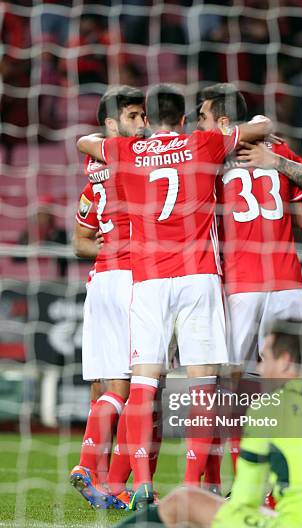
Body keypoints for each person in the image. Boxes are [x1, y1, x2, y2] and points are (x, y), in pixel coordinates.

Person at [23, 319, 302, 528]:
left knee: (184, 501)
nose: (259, 366)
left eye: (265, 356)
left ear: (286, 361)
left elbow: (244, 502)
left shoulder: (271, 408)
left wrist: (202, 520)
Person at [75, 84, 273, 506]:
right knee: (203, 385)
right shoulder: (202, 143)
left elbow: (85, 143)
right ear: (183, 120)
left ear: (147, 118)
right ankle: (191, 482)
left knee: (143, 384)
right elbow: (262, 126)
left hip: (146, 280)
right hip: (198, 276)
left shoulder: (126, 152)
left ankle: (141, 482)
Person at [197, 83, 302, 471]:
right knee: (288, 380)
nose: (199, 126)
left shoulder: (208, 156)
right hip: (288, 280)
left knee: (229, 380)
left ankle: (242, 473)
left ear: (222, 121)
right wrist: (274, 160)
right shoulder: (275, 147)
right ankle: (287, 474)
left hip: (242, 283)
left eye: (203, 118)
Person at [70, 85, 150, 510]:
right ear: (111, 124)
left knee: (107, 387)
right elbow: (78, 239)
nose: (143, 124)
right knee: (133, 387)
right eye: (135, 116)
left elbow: (81, 239)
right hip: (128, 281)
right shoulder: (134, 158)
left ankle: (104, 480)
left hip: (101, 280)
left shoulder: (94, 167)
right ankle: (94, 470)